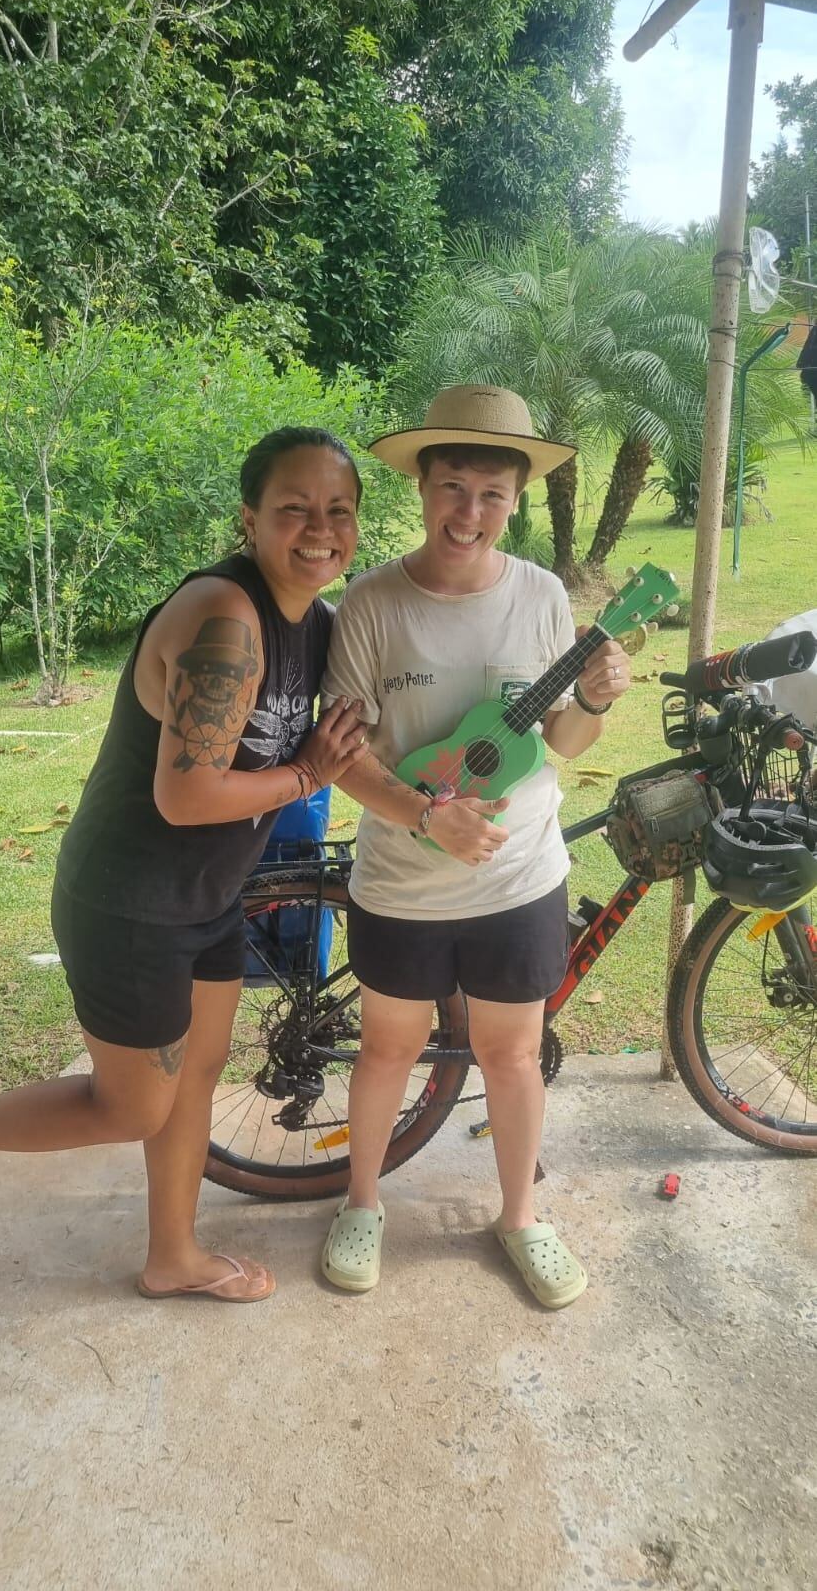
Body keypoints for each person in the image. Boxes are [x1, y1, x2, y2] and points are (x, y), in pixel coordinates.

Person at [0, 427, 366, 1304]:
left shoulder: (317, 626)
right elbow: (187, 794)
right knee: (133, 1106)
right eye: (294, 508)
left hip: (209, 895)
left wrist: (434, 816)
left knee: (196, 1074)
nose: (320, 528)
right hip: (129, 901)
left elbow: (346, 755)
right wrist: (306, 772)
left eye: (339, 510)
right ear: (250, 519)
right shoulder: (226, 619)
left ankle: (172, 1256)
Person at [318, 385, 631, 1309]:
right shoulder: (371, 603)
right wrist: (425, 815)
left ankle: (520, 1218)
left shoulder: (541, 596)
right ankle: (362, 1202)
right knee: (387, 1050)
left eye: (492, 494)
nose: (471, 514)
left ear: (518, 498)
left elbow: (562, 742)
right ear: (420, 487)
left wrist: (600, 701)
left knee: (512, 1054)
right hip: (404, 882)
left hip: (521, 874)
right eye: (452, 487)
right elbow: (341, 759)